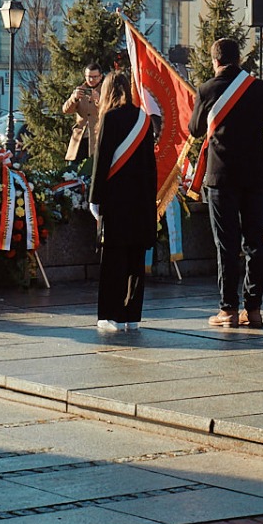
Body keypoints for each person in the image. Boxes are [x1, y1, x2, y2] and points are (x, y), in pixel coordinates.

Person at [189, 37, 263, 328]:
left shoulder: (207, 89)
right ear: (239, 59)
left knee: (227, 244)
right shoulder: (259, 88)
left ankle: (228, 309)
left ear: (215, 61)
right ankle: (254, 309)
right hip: (255, 176)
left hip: (221, 178)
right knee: (256, 242)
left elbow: (195, 130)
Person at [88, 72, 157, 334]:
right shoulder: (144, 119)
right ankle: (133, 315)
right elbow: (150, 167)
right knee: (136, 261)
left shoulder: (110, 118)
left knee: (113, 260)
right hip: (141, 202)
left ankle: (110, 315)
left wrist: (95, 198)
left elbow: (102, 161)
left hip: (117, 202)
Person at [61, 63, 105, 164]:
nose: (91, 80)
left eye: (95, 77)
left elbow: (109, 111)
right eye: (89, 77)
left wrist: (99, 100)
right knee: (74, 170)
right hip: (80, 137)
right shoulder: (80, 90)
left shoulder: (105, 90)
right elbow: (66, 110)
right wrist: (74, 99)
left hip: (97, 138)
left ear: (100, 77)